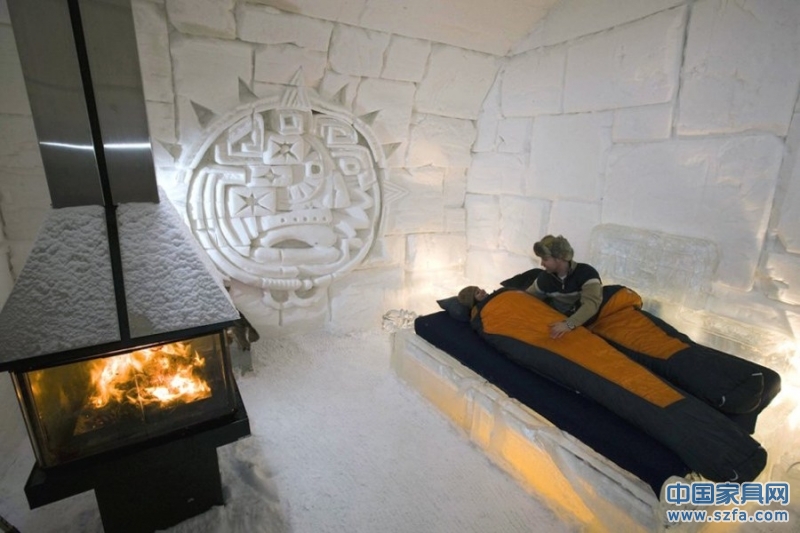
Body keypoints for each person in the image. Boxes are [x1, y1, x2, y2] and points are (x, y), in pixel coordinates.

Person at [526, 235, 602, 339]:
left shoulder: (587, 274)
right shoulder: (545, 278)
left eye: (545, 259)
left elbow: (591, 305)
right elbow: (527, 297)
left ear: (559, 258)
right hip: (557, 319)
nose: (542, 263)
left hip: (584, 323)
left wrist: (568, 324)